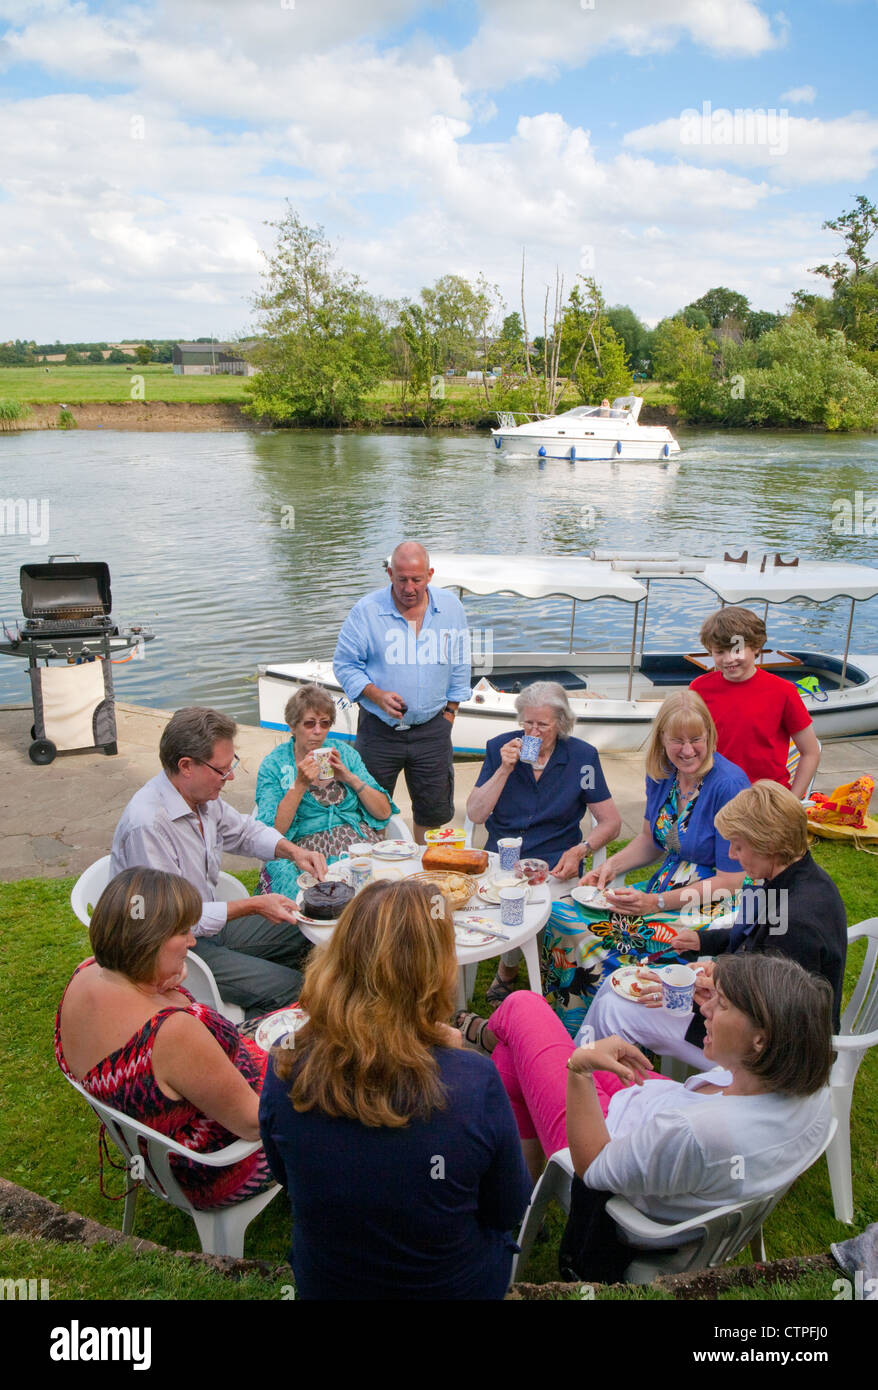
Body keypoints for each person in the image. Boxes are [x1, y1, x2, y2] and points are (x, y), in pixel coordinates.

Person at [258, 879, 531, 1300]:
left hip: (329, 1284)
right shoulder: (474, 1083)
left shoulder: (285, 1061)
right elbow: (508, 1209)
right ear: (435, 972)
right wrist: (453, 1060)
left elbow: (288, 1178)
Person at [458, 954, 833, 1244]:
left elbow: (594, 1170)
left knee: (524, 1005)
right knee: (515, 1054)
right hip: (642, 1104)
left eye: (723, 1006)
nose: (705, 1010)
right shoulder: (808, 1091)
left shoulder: (697, 1133)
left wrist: (580, 1069)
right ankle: (520, 1197)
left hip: (600, 1141)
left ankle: (478, 1037)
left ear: (761, 1040)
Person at [587, 780, 847, 1067]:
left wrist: (705, 986)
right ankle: (586, 1078)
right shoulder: (786, 877)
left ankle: (582, 1084)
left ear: (769, 845)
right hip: (742, 1015)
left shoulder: (800, 921)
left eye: (738, 846)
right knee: (616, 984)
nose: (732, 856)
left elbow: (771, 1013)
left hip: (767, 1057)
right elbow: (754, 937)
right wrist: (703, 942)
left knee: (614, 1009)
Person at [56, 867, 273, 1209]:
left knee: (300, 1023)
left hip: (157, 1145)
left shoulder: (85, 975)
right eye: (183, 932)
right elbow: (253, 1123)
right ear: (149, 942)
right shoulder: (170, 1032)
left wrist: (167, 979)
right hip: (217, 1166)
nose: (192, 941)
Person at [542, 690, 747, 1038]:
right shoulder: (662, 774)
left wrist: (655, 903)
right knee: (562, 916)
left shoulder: (729, 785)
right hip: (663, 887)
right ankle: (568, 1031)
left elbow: (733, 879)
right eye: (676, 740)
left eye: (696, 739)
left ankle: (620, 1034)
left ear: (709, 737)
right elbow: (652, 840)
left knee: (610, 944)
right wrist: (609, 866)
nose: (687, 750)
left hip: (709, 904)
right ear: (662, 740)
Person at [111, 706, 326, 1018]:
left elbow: (243, 831)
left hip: (207, 930)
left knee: (308, 926)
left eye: (232, 765)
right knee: (293, 988)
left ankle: (269, 999)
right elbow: (170, 920)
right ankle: (253, 1049)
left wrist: (294, 851)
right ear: (186, 766)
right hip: (171, 951)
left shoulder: (200, 798)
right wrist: (253, 905)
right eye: (222, 770)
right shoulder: (147, 825)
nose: (231, 776)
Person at [466, 680, 621, 1007]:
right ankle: (509, 970)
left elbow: (610, 822)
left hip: (556, 863)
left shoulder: (582, 758)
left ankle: (554, 984)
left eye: (543, 725)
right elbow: (476, 814)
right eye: (527, 723)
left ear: (561, 724)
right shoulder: (499, 749)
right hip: (503, 859)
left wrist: (582, 850)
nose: (533, 733)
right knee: (507, 896)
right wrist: (504, 770)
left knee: (560, 917)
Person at [333, 541, 471, 843]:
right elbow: (344, 665)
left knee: (433, 815)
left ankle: (426, 882)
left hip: (433, 729)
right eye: (401, 579)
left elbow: (460, 664)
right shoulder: (366, 611)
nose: (409, 588)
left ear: (430, 575)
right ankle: (375, 883)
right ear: (390, 573)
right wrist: (376, 694)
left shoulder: (451, 608)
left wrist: (449, 714)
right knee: (370, 813)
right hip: (378, 731)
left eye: (417, 580)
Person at [254, 684, 398, 896]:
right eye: (309, 723)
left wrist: (349, 777)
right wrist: (300, 784)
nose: (318, 731)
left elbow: (384, 812)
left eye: (325, 723)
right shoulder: (275, 765)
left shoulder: (344, 754)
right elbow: (273, 833)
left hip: (357, 847)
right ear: (292, 726)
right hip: (306, 853)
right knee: (315, 900)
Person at [690, 606, 820, 796]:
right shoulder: (699, 689)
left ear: (756, 646)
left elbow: (810, 751)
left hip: (766, 797)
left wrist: (793, 799)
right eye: (720, 652)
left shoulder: (783, 691)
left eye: (737, 650)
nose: (728, 659)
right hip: (714, 793)